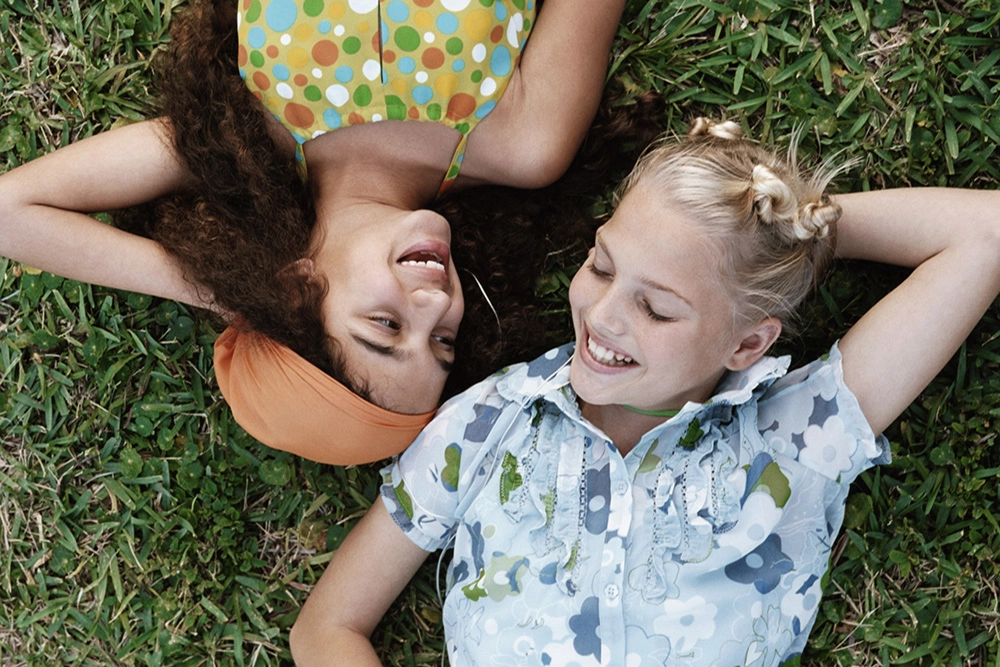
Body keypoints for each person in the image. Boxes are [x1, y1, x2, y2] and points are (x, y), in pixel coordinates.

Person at [286, 118, 1000, 665]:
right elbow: (327, 626)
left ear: (746, 344)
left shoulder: (796, 438)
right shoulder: (488, 423)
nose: (602, 315)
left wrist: (778, 235)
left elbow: (986, 234)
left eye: (656, 308)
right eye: (601, 266)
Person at [0, 0, 628, 464]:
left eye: (386, 326)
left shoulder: (247, 133)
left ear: (298, 288)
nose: (439, 305)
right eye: (442, 341)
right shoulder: (525, 145)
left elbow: (12, 212)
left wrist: (233, 295)